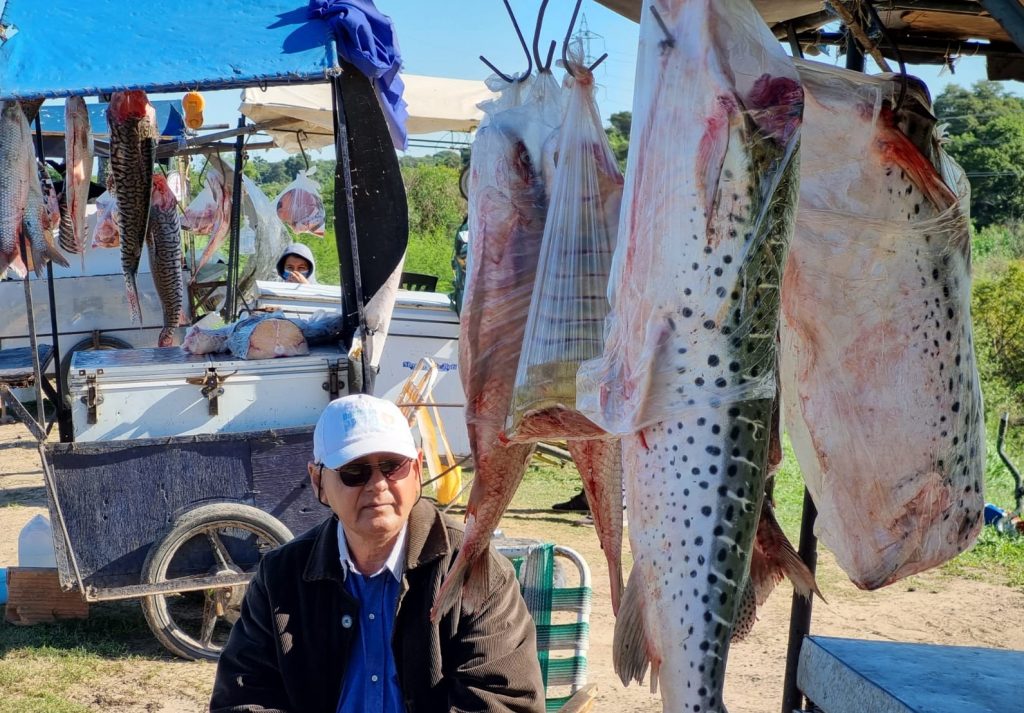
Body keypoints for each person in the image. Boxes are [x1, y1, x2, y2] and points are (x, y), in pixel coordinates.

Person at [211, 394, 545, 713]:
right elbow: (244, 697)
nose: (378, 484)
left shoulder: (474, 570)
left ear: (416, 471)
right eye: (354, 471)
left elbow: (503, 700)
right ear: (318, 482)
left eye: (392, 466)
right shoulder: (280, 577)